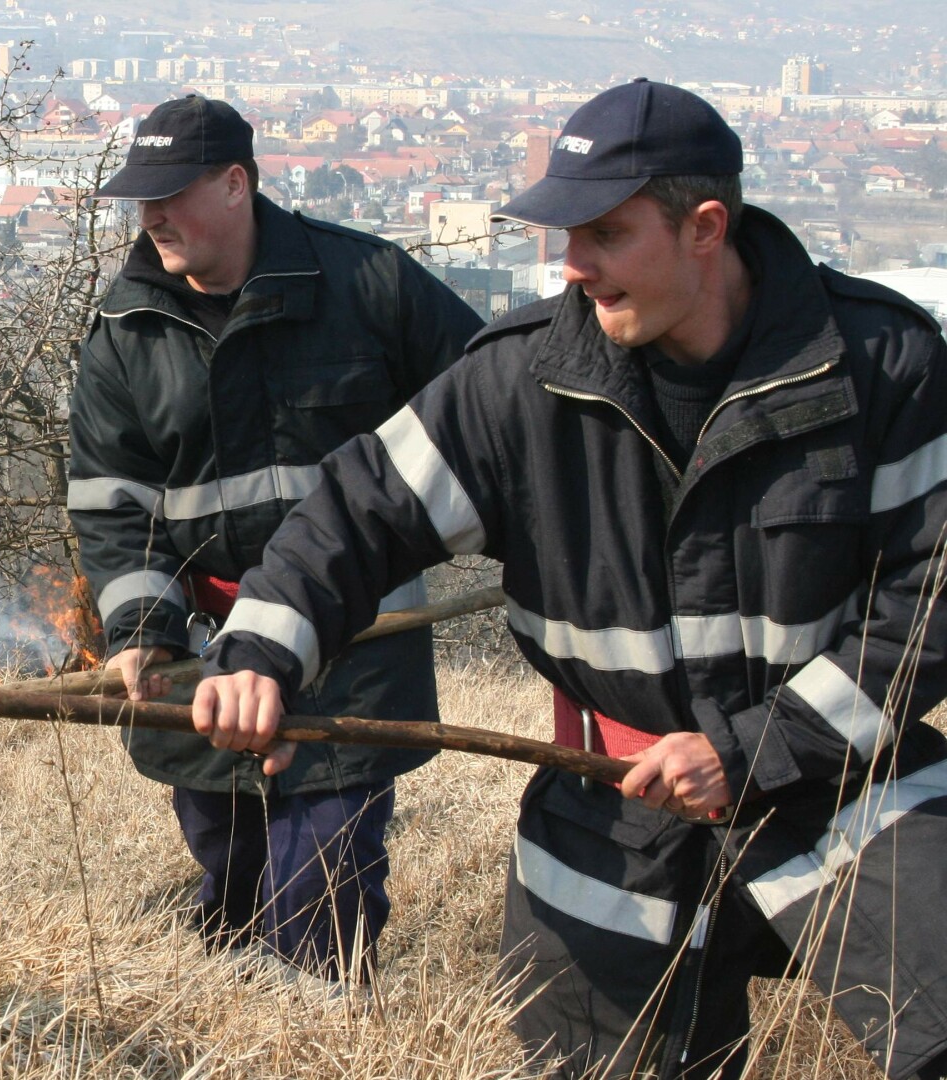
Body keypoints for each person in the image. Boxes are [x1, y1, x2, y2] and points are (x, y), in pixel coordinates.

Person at [192, 79, 947, 1078]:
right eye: (564, 233)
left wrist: (756, 750)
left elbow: (930, 610)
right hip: (612, 814)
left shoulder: (878, 364)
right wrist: (261, 655)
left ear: (706, 227)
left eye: (604, 234)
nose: (572, 265)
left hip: (847, 787)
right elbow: (353, 515)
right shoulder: (519, 382)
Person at [68, 94, 484, 981]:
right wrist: (140, 631)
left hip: (355, 642)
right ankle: (245, 1015)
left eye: (172, 193)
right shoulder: (122, 332)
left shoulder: (371, 284)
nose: (152, 217)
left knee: (320, 886)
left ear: (235, 183)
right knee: (230, 872)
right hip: (202, 660)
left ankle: (315, 1031)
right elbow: (112, 504)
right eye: (141, 199)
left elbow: (491, 411)